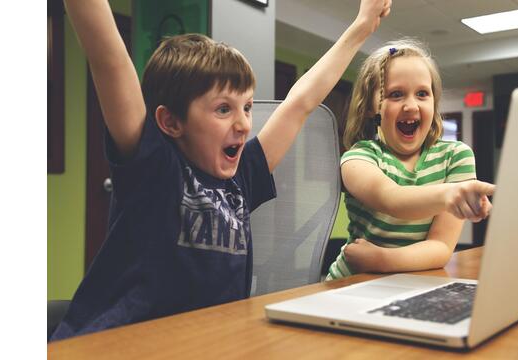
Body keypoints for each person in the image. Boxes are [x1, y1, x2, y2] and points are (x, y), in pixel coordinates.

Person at [51, 0, 392, 341]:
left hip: (206, 342)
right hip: (115, 344)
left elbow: (299, 103)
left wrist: (362, 25)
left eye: (246, 107)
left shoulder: (242, 176)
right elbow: (108, 60)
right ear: (170, 122)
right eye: (223, 109)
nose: (245, 124)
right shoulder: (153, 166)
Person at [326, 38, 495, 281]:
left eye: (422, 94)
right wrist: (450, 195)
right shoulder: (359, 158)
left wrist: (381, 260)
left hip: (410, 284)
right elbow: (392, 199)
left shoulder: (456, 157)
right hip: (351, 283)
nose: (411, 105)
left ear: (434, 101)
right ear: (372, 106)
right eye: (396, 94)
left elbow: (441, 248)